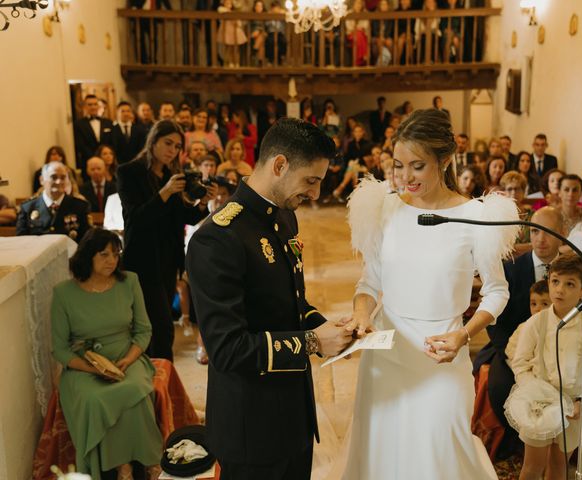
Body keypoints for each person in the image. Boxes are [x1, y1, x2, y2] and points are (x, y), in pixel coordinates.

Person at [343, 108, 519, 479]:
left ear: (445, 160)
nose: (406, 177)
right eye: (398, 165)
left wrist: (463, 334)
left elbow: (497, 292)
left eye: (417, 166)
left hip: (442, 353)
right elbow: (369, 281)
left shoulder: (477, 217)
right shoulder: (383, 209)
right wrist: (362, 314)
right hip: (386, 357)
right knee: (382, 455)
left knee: (440, 452)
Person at [186, 118, 352, 479]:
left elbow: (292, 301)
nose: (315, 195)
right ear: (279, 165)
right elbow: (227, 348)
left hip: (295, 414)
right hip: (251, 426)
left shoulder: (284, 217)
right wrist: (311, 341)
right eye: (311, 180)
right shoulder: (217, 239)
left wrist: (323, 325)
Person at [51, 228, 163, 480]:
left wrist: (128, 359)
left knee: (135, 391)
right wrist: (94, 369)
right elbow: (59, 348)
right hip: (86, 364)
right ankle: (122, 467)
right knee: (95, 399)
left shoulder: (129, 281)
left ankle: (150, 464)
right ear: (87, 257)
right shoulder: (64, 293)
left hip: (127, 355)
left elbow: (144, 331)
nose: (112, 260)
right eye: (104, 255)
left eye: (115, 254)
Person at [117, 120, 215, 361]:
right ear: (153, 141)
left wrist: (202, 204)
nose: (172, 150)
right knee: (158, 327)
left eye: (177, 146)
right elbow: (135, 220)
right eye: (167, 143)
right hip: (142, 259)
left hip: (169, 259)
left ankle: (158, 380)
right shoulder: (129, 172)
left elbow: (183, 217)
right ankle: (160, 383)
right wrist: (165, 193)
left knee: (160, 327)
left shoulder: (170, 175)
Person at [508, 254, 582, 480]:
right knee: (532, 468)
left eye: (569, 284)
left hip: (572, 409)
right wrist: (534, 390)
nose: (560, 290)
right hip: (539, 406)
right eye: (555, 281)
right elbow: (520, 363)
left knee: (559, 468)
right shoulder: (536, 323)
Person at [473, 207, 564, 453]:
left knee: (573, 390)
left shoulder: (574, 270)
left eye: (548, 232)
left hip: (561, 347)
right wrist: (511, 355)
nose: (540, 239)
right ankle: (520, 444)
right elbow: (497, 322)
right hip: (514, 347)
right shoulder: (511, 269)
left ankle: (557, 446)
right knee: (502, 387)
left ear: (563, 233)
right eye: (535, 231)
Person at [18, 161, 90, 242]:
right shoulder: (28, 208)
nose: (59, 182)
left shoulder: (80, 206)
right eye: (54, 177)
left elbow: (86, 240)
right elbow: (22, 242)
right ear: (42, 180)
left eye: (63, 178)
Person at [73, 94, 115, 177]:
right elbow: (81, 145)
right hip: (89, 163)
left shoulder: (108, 122)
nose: (93, 107)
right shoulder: (78, 124)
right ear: (85, 107)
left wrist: (106, 157)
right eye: (90, 104)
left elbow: (112, 142)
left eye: (95, 104)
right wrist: (96, 159)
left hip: (108, 165)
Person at [217, 0, 248, 67]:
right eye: (227, 3)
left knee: (235, 48)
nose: (228, 5)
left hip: (234, 31)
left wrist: (236, 21)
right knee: (228, 48)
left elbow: (238, 23)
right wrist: (228, 11)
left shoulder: (234, 12)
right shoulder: (222, 10)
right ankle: (228, 62)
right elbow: (220, 10)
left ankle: (236, 62)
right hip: (226, 31)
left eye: (230, 4)